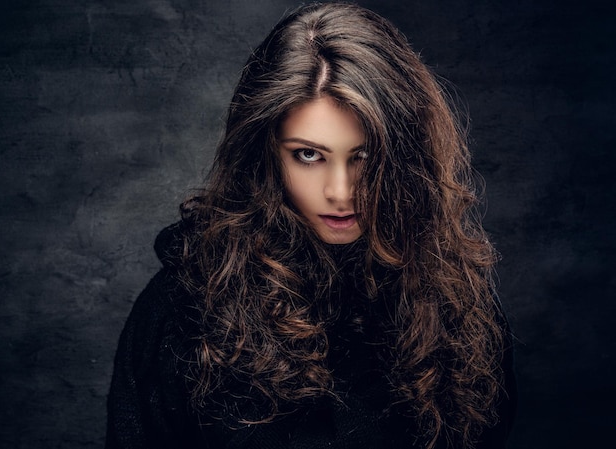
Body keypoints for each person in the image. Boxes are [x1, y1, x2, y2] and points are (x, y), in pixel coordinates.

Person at [105, 2, 517, 448]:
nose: (340, 192)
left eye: (365, 157)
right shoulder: (182, 308)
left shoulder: (457, 298)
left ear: (404, 157)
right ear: (266, 154)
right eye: (308, 155)